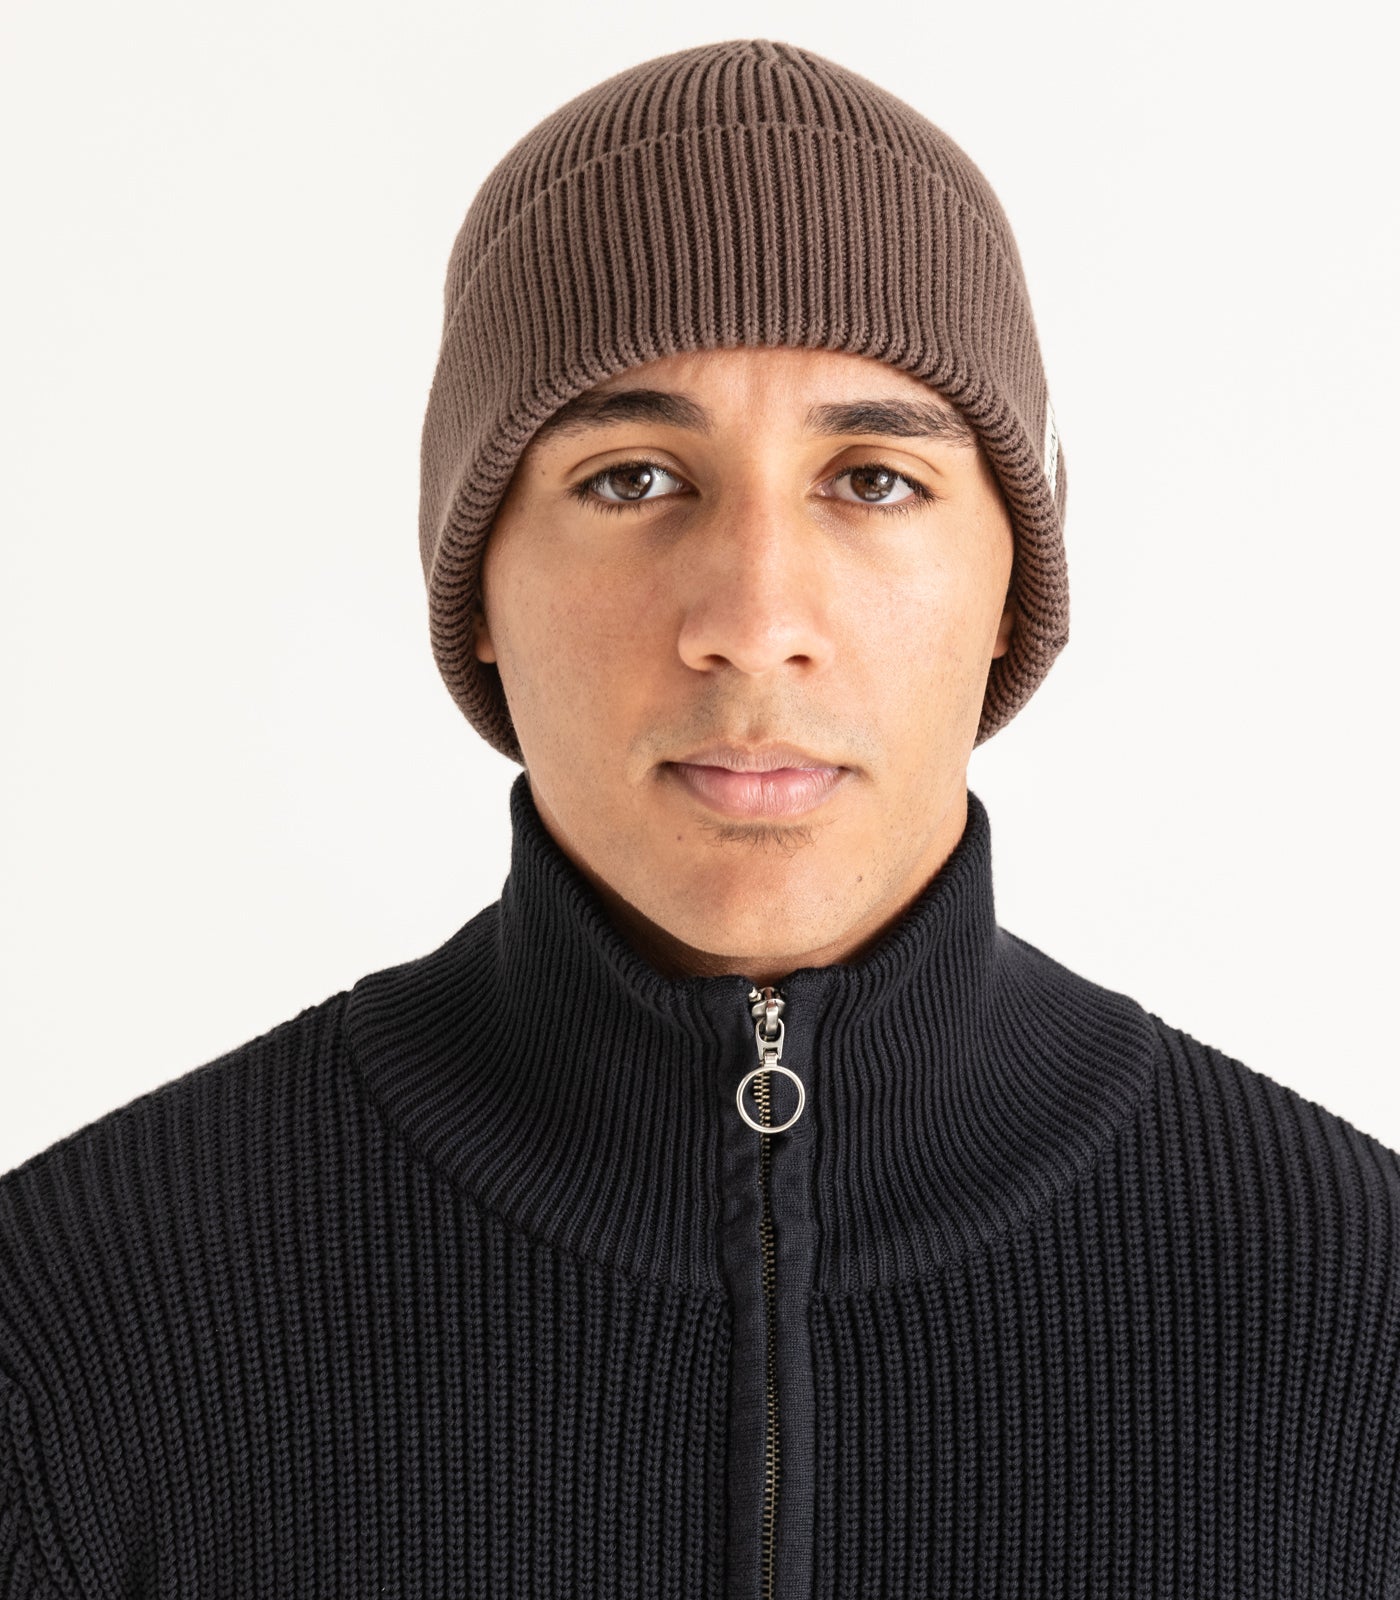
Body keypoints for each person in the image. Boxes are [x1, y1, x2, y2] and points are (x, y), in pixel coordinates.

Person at [2, 37, 1397, 1600]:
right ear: (476, 587)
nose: (752, 620)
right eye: (632, 478)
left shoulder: (1356, 1319)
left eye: (874, 480)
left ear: (1015, 581)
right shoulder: (73, 1331)